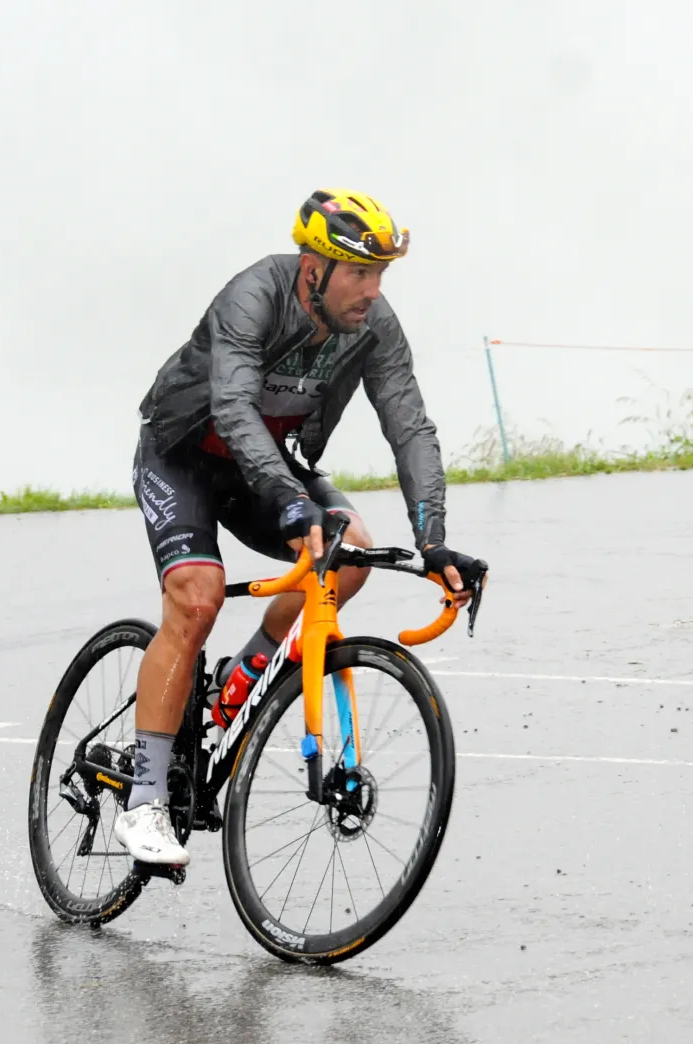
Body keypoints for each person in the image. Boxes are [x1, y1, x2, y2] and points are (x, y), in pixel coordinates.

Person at [118, 188, 485, 866]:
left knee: (353, 555)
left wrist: (433, 540)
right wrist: (289, 499)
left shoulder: (374, 325)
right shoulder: (253, 295)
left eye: (380, 275)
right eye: (359, 273)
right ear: (314, 266)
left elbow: (409, 425)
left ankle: (244, 676)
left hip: (264, 469)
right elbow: (231, 406)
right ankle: (144, 799)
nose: (373, 291)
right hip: (185, 458)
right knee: (196, 600)